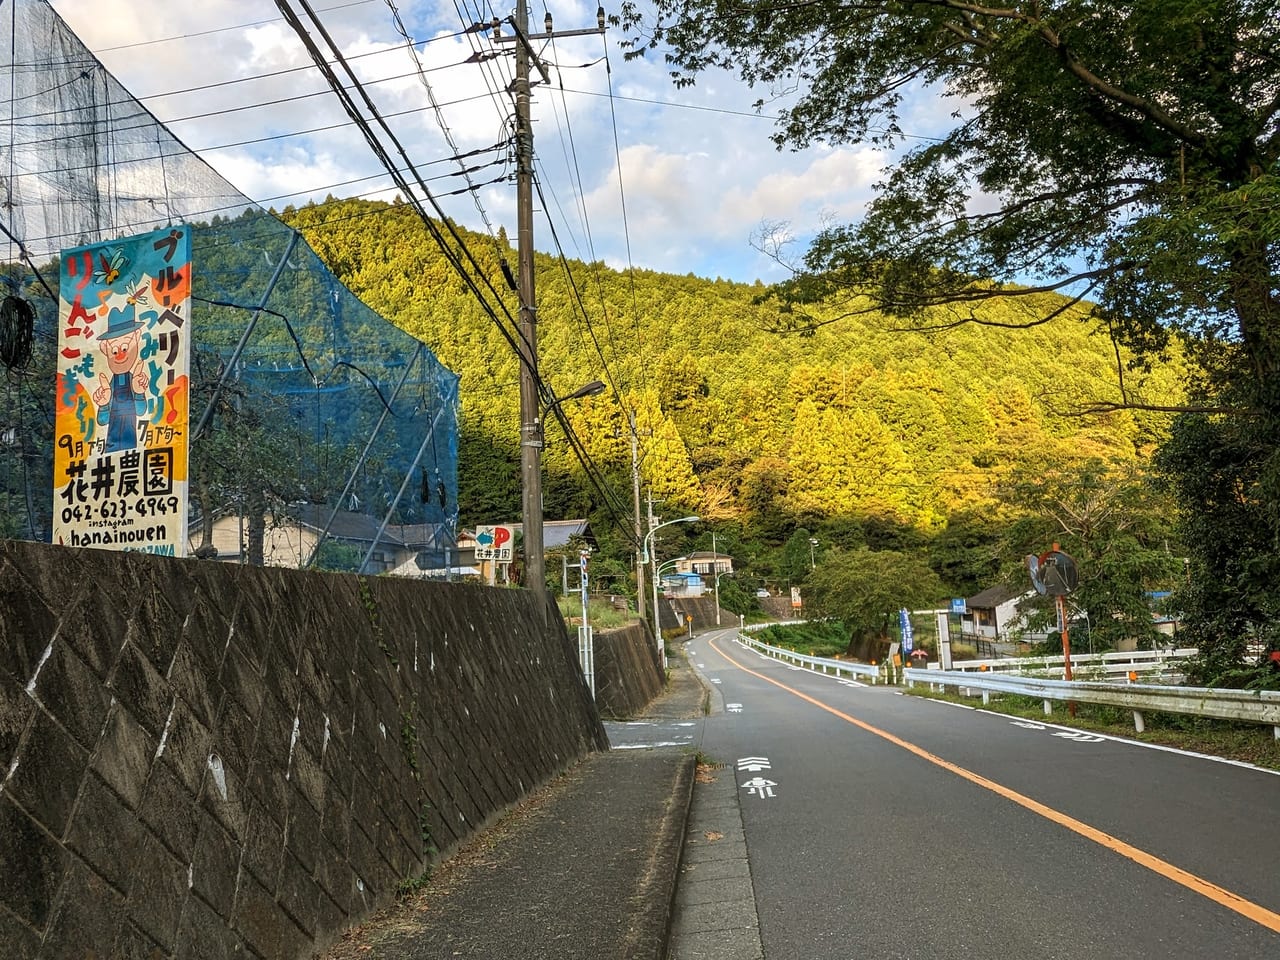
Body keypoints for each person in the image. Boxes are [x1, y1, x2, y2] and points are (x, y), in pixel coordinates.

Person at [92, 304, 149, 454]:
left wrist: (138, 392)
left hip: (132, 444)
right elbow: (103, 421)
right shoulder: (110, 385)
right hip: (112, 441)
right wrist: (104, 404)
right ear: (105, 349)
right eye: (114, 350)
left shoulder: (134, 379)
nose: (120, 355)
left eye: (125, 348)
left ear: (137, 340)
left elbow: (141, 411)